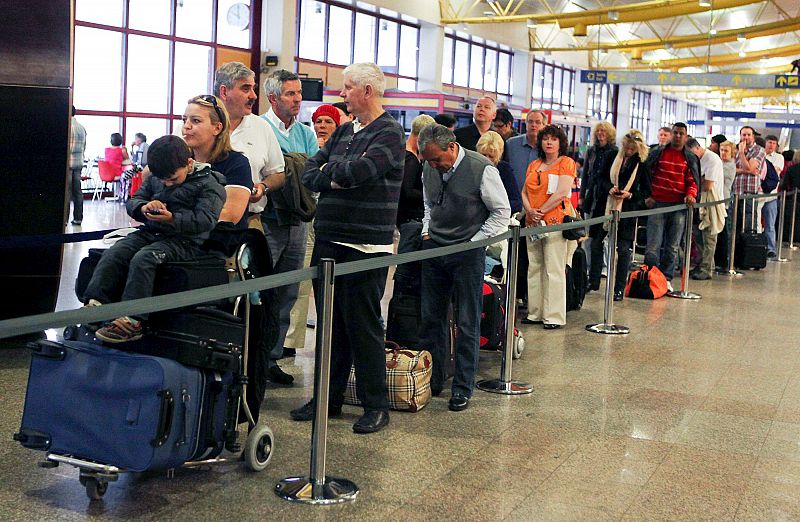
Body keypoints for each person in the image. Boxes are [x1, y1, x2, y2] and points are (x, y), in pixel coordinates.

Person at [294, 62, 406, 434]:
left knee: (363, 327)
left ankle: (376, 405)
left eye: (346, 88)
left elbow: (361, 173)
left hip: (365, 246)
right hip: (329, 240)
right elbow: (311, 172)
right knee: (329, 327)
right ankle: (328, 398)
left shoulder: (389, 133)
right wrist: (335, 176)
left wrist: (335, 174)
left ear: (367, 92)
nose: (341, 95)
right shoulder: (343, 131)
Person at [84, 135, 226, 343]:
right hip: (151, 232)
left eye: (173, 179)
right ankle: (96, 303)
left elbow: (205, 221)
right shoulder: (154, 178)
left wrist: (173, 219)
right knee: (118, 251)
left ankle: (133, 319)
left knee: (145, 258)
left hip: (186, 242)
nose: (167, 184)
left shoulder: (210, 186)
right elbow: (135, 200)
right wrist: (143, 207)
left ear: (188, 164)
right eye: (163, 180)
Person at [418, 123, 510, 411]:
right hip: (435, 249)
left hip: (468, 253)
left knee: (467, 320)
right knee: (432, 318)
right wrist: (426, 230)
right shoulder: (429, 166)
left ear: (452, 147)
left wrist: (475, 242)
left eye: (437, 159)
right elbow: (429, 203)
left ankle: (463, 387)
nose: (434, 165)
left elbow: (501, 212)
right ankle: (435, 380)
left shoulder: (481, 168)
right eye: (429, 161)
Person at [213, 61, 288, 384]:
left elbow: (279, 174)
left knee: (250, 301)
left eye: (254, 88)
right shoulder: (201, 122)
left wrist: (261, 187)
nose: (253, 95)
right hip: (207, 228)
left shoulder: (260, 128)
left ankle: (249, 367)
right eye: (246, 88)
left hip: (250, 226)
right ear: (224, 92)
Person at [260, 69, 320, 371]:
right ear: (273, 97)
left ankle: (271, 358)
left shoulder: (306, 134)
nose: (298, 99)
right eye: (290, 93)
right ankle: (252, 358)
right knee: (262, 290)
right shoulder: (260, 128)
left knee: (288, 293)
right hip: (268, 221)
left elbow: (309, 174)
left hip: (298, 221)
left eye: (298, 93)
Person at [284, 104, 343, 352]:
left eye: (328, 122)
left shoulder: (341, 152)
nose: (322, 126)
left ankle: (330, 339)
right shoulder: (310, 148)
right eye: (319, 122)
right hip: (307, 221)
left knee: (330, 287)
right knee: (300, 284)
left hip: (331, 224)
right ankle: (289, 340)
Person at [521, 124, 578, 329]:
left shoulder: (566, 163)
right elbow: (524, 191)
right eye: (546, 138)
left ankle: (553, 316)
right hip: (532, 222)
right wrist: (530, 212)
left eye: (553, 139)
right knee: (534, 266)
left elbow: (562, 192)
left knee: (554, 268)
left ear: (560, 143)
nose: (549, 142)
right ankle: (535, 312)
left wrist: (541, 211)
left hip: (554, 221)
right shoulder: (534, 164)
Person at [182, 95, 252, 228]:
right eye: (184, 120)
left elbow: (230, 215)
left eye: (195, 121)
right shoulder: (179, 161)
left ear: (217, 128)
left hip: (220, 242)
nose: (186, 126)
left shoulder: (237, 164)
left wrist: (175, 219)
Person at [643, 122, 699, 285]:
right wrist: (648, 195)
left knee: (673, 245)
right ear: (671, 134)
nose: (678, 136)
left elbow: (692, 181)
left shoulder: (690, 157)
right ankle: (649, 276)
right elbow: (646, 174)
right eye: (675, 132)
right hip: (657, 203)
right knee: (653, 244)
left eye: (682, 133)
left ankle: (666, 277)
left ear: (686, 136)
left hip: (678, 206)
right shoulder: (657, 153)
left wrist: (691, 195)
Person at [600, 130, 651, 301]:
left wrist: (629, 195)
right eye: (626, 148)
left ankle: (619, 288)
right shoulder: (612, 156)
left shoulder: (642, 164)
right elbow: (600, 178)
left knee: (623, 250)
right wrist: (609, 188)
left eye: (632, 149)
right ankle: (594, 280)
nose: (628, 152)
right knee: (598, 243)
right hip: (606, 207)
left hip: (627, 211)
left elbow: (646, 191)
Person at [505, 109, 546, 307]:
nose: (534, 125)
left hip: (538, 210)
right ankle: (515, 292)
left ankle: (533, 295)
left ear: (544, 125)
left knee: (535, 254)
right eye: (530, 121)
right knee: (515, 252)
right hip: (515, 208)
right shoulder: (511, 145)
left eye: (538, 122)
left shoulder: (549, 147)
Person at [580, 121, 618, 291]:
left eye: (604, 131)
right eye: (598, 131)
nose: (600, 133)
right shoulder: (591, 151)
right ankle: (590, 274)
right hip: (591, 199)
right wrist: (582, 196)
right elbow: (586, 175)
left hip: (607, 200)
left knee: (602, 239)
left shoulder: (615, 152)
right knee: (590, 239)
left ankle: (602, 270)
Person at [687, 138, 726, 280]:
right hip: (699, 202)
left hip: (711, 203)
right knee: (699, 237)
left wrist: (697, 182)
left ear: (697, 148)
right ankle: (705, 264)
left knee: (709, 237)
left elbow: (708, 185)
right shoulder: (698, 160)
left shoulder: (712, 160)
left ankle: (707, 268)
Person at [476, 131, 522, 214]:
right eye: (484, 155)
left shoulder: (504, 169)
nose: (487, 159)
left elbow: (517, 203)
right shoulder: (470, 167)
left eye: (491, 156)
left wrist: (497, 208)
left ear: (499, 155)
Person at [733, 126, 766, 234]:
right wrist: (747, 170)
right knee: (735, 225)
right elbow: (732, 169)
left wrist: (742, 153)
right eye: (743, 135)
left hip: (750, 193)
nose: (746, 137)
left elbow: (749, 167)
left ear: (753, 136)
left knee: (748, 225)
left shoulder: (759, 150)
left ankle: (747, 249)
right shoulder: (735, 150)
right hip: (736, 192)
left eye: (748, 135)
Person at [715, 141, 737, 270]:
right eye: (721, 150)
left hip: (724, 202)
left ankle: (722, 261)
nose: (723, 153)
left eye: (726, 151)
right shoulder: (719, 163)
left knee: (723, 233)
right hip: (718, 200)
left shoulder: (729, 166)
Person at [762, 134, 784, 257]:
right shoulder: (760, 155)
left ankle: (771, 248)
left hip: (771, 196)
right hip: (759, 195)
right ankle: (758, 246)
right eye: (769, 142)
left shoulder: (779, 157)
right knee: (757, 224)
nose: (771, 145)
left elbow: (775, 170)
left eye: (773, 143)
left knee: (770, 224)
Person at [68, 106, 87, 226]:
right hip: (78, 163)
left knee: (67, 193)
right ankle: (78, 218)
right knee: (78, 192)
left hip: (68, 164)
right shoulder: (81, 127)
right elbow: (84, 147)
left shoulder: (67, 126)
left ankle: (63, 220)